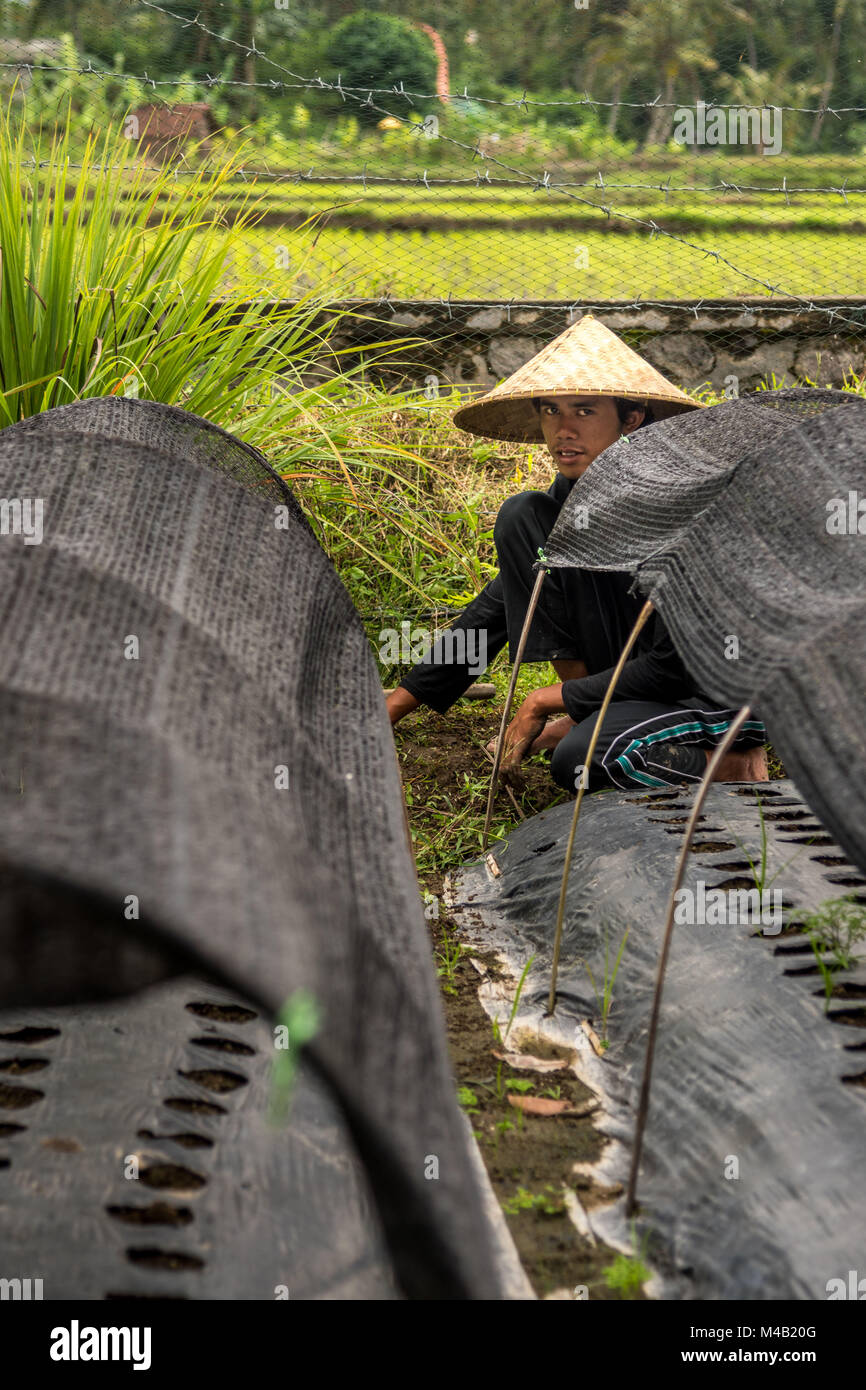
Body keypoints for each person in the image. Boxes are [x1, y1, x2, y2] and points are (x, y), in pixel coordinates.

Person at [386, 313, 768, 790]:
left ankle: (734, 762)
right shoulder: (566, 505)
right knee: (521, 511)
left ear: (631, 418)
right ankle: (587, 712)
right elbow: (500, 606)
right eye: (551, 411)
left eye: (583, 411)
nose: (563, 429)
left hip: (706, 692)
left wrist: (546, 699)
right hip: (635, 682)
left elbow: (675, 664)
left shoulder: (678, 502)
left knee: (579, 764)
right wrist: (398, 703)